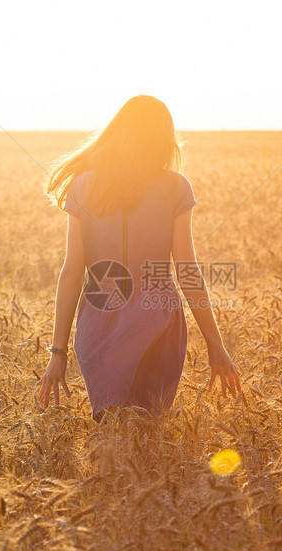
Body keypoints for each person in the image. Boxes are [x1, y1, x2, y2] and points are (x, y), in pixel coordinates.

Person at [36, 95, 242, 422]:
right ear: (164, 139)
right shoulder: (175, 188)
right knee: (148, 437)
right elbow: (187, 271)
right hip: (156, 323)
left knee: (113, 434)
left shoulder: (83, 187)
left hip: (97, 326)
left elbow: (72, 272)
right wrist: (215, 345)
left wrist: (57, 353)